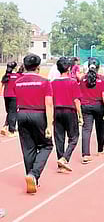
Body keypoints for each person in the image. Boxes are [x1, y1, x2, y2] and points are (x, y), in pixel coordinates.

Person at [13, 54, 54, 194]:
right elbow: (48, 104)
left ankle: (32, 178)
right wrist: (49, 124)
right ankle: (34, 174)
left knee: (28, 148)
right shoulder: (44, 82)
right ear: (38, 67)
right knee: (47, 145)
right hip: (38, 114)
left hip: (22, 114)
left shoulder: (18, 82)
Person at [51, 57, 83, 173]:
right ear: (69, 68)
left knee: (59, 138)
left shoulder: (53, 83)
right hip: (70, 111)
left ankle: (61, 163)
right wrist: (80, 115)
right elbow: (76, 101)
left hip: (56, 111)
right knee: (74, 137)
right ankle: (65, 158)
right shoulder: (73, 82)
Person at [79, 58, 104, 164]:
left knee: (86, 130)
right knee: (100, 129)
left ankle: (85, 154)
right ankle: (100, 150)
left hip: (86, 106)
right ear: (98, 67)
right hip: (99, 106)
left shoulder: (83, 79)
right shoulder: (102, 79)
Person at [0, 61, 20, 137]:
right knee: (13, 113)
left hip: (6, 96)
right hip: (14, 96)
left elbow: (1, 85)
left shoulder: (6, 76)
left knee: (10, 112)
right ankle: (12, 130)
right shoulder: (18, 76)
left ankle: (5, 127)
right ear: (15, 67)